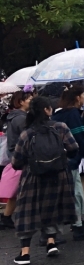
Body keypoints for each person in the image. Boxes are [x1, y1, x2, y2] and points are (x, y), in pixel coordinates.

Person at [11, 96, 79, 264]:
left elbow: (16, 162)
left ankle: (25, 253)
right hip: (58, 174)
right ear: (48, 110)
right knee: (53, 207)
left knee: (28, 211)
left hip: (33, 176)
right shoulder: (60, 127)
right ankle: (51, 243)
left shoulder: (27, 133)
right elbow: (74, 148)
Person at [51, 86, 84, 240]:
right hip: (72, 159)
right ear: (77, 97)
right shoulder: (72, 114)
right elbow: (80, 137)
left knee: (69, 193)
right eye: (83, 95)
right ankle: (76, 227)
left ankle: (73, 224)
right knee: (76, 193)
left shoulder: (60, 114)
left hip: (61, 159)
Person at [2, 90, 32, 230]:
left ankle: (6, 217)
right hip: (22, 156)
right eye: (29, 98)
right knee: (25, 189)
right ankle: (25, 219)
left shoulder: (13, 117)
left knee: (17, 190)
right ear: (20, 102)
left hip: (15, 155)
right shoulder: (21, 119)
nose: (31, 100)